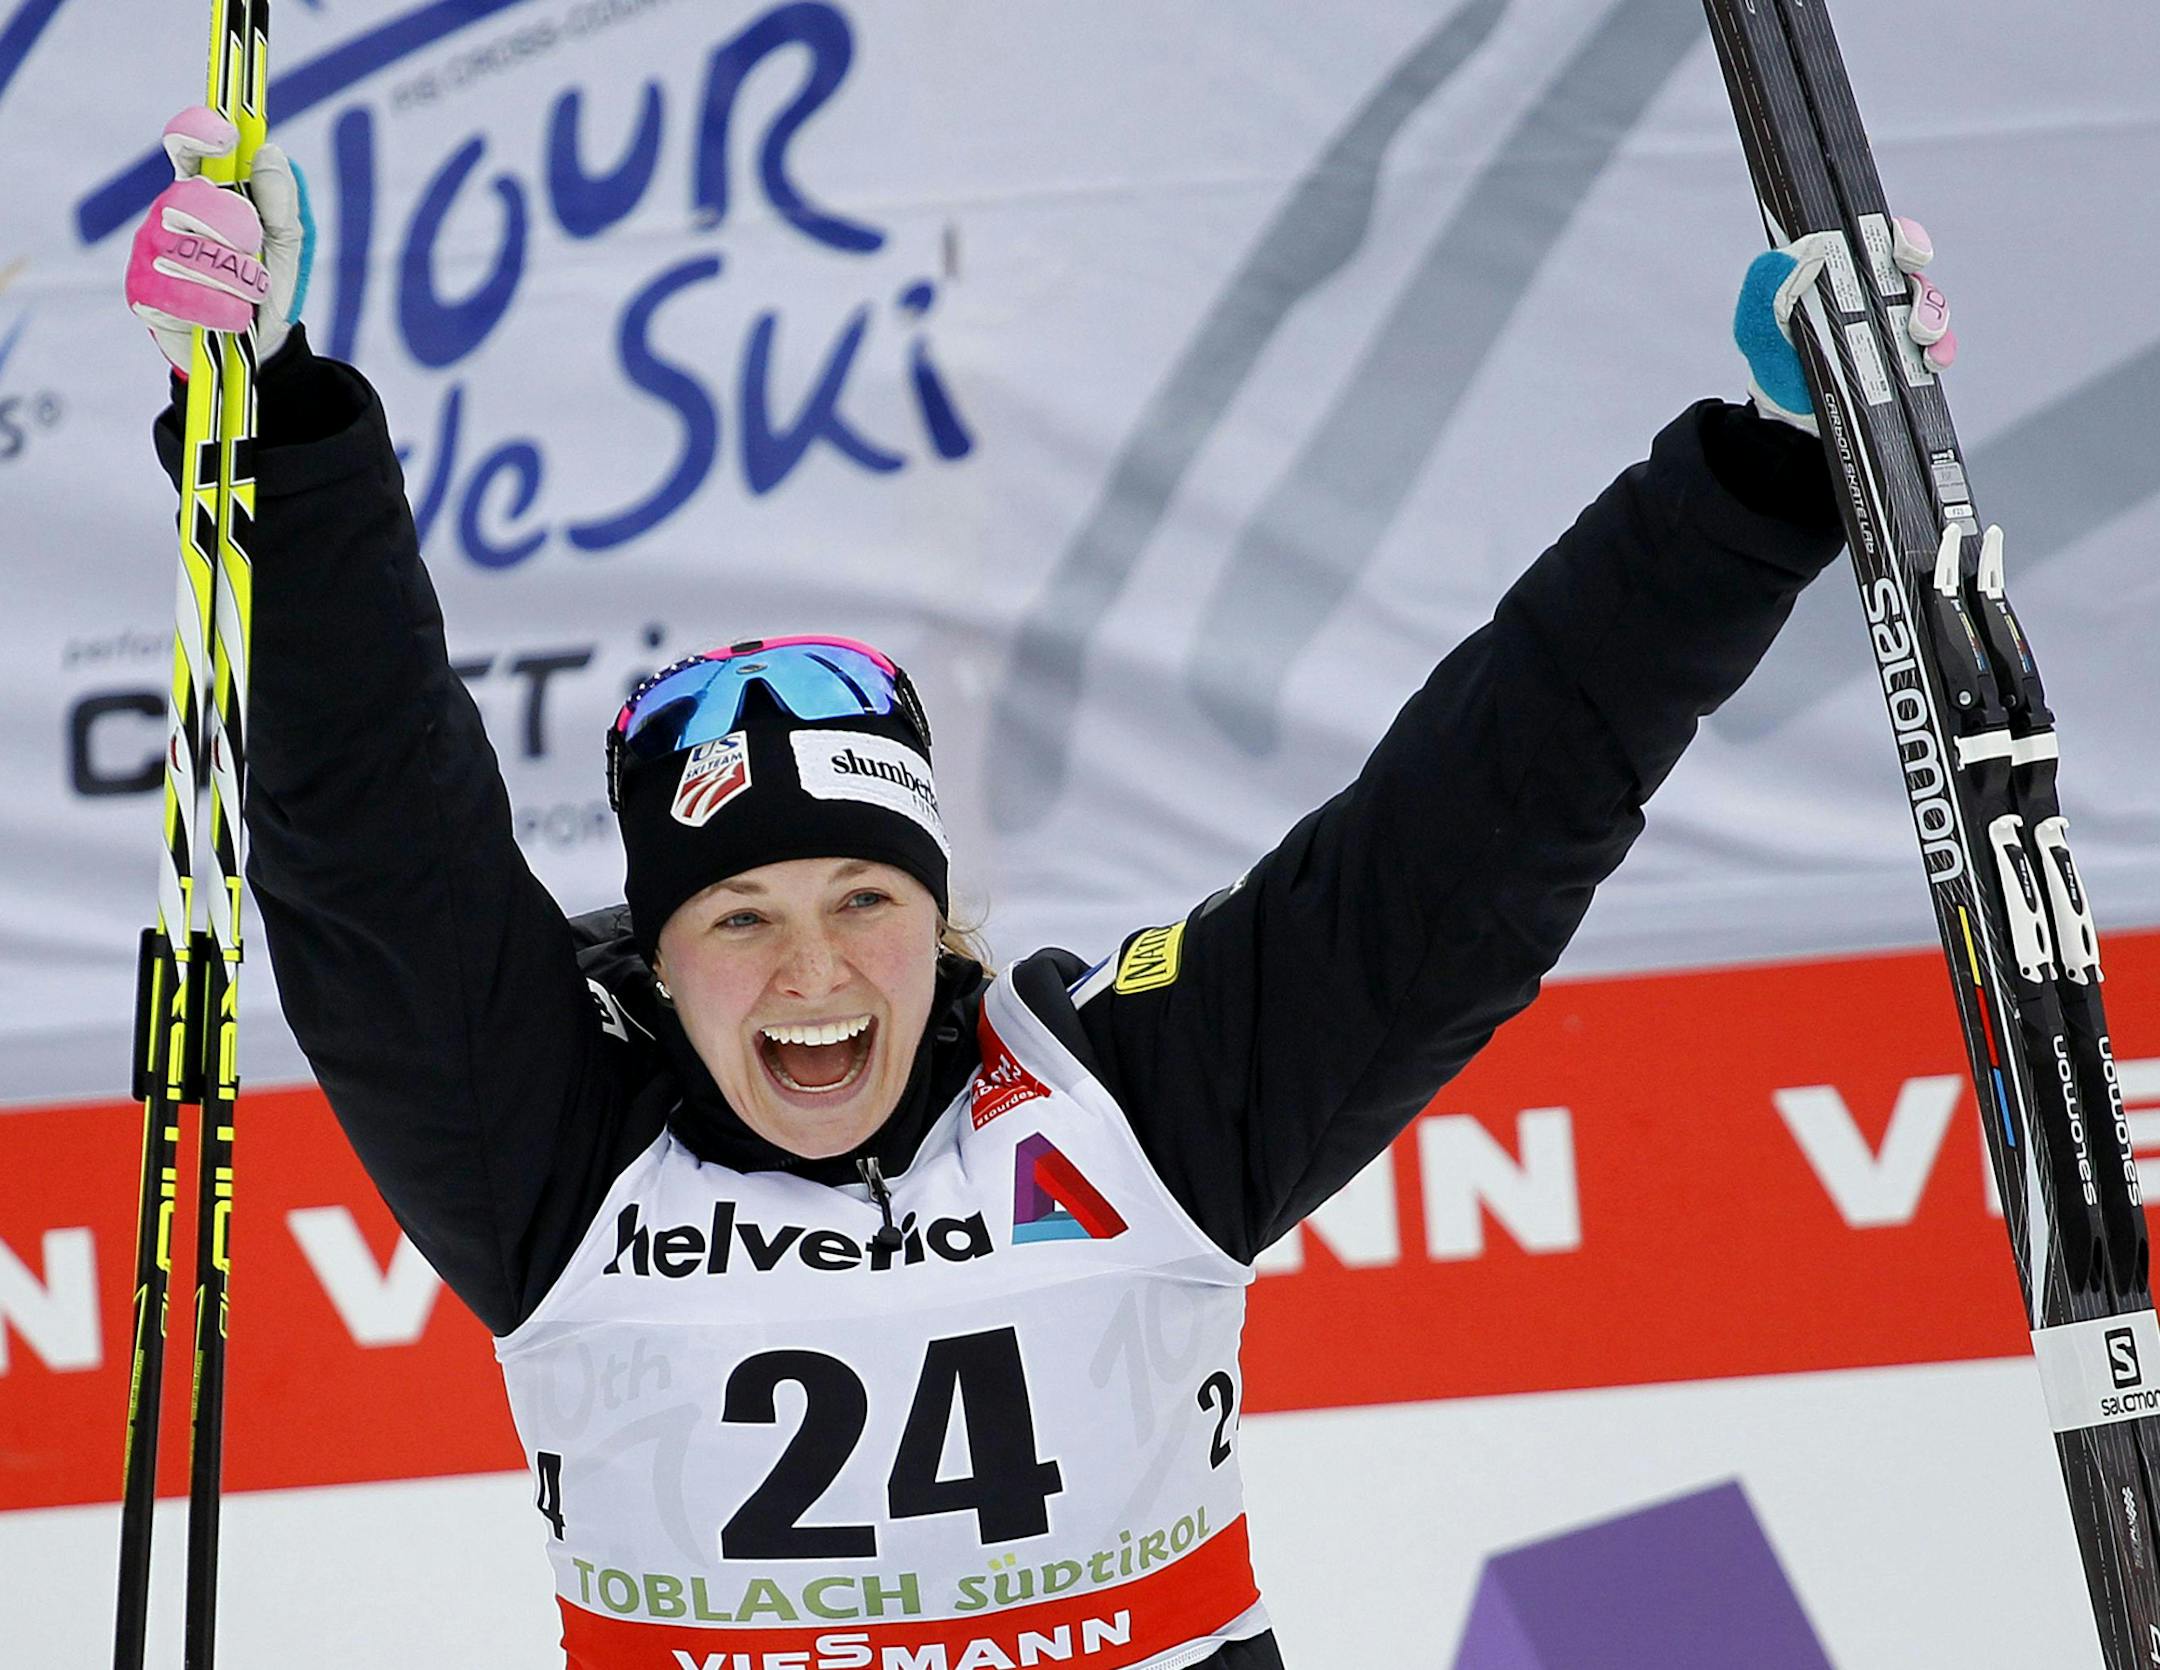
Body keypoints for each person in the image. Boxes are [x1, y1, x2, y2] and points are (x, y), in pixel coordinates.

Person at [127, 105, 1951, 1670]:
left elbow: (1476, 827)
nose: (814, 967)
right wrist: (271, 428)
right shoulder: (548, 1155)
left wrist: (1769, 472)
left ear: (943, 916)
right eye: (739, 916)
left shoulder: (1132, 1099)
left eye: (865, 896)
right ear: (658, 962)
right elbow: (372, 825)